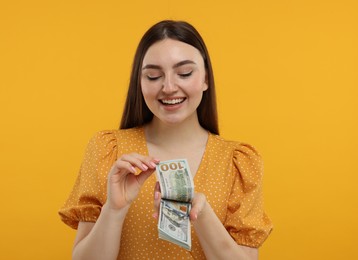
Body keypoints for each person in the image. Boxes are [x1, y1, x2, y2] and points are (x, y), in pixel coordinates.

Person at [59, 20, 272, 259]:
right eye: (152, 76)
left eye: (184, 73)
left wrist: (202, 217)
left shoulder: (238, 161)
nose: (169, 87)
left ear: (206, 79)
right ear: (139, 83)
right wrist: (114, 210)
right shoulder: (108, 149)